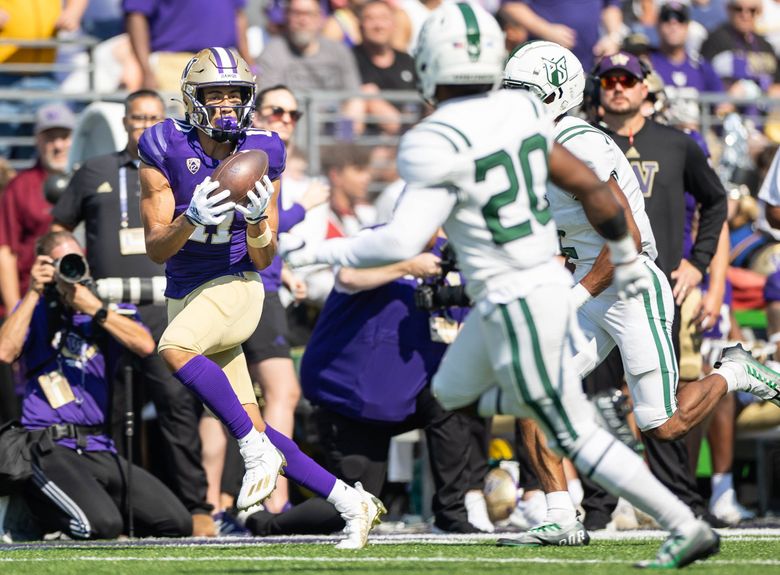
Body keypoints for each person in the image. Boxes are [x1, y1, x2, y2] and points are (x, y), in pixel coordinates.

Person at [284, 2, 720, 568]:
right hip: (546, 289)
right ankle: (565, 506)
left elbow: (400, 242)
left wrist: (310, 248)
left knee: (614, 419)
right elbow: (583, 200)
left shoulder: (468, 137)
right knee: (490, 397)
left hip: (575, 290)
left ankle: (688, 500)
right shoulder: (527, 133)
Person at [499, 41, 774, 543]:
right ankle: (560, 517)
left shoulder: (579, 143)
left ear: (557, 94)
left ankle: (736, 371)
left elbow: (621, 240)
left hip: (628, 283)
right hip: (588, 277)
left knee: (662, 423)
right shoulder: (540, 144)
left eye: (525, 93)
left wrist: (576, 296)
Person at [138, 47, 383, 549]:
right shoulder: (161, 144)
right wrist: (191, 219)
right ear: (192, 100)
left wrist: (254, 222)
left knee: (174, 350)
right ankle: (349, 502)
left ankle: (253, 450)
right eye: (215, 94)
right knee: (255, 425)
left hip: (237, 287)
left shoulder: (264, 149)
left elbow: (264, 256)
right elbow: (157, 248)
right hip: (185, 291)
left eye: (235, 95)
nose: (227, 106)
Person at [49, 90, 219, 537]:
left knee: (177, 406)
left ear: (166, 122)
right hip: (106, 308)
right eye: (137, 118)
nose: (144, 125)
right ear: (124, 121)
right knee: (109, 408)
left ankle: (195, 506)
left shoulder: (185, 165)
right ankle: (109, 505)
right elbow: (58, 228)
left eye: (153, 118)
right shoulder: (94, 171)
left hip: (166, 305)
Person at [0, 231, 192, 540]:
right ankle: (31, 513)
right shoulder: (32, 310)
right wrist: (35, 291)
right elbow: (4, 352)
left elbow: (144, 344)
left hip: (99, 446)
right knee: (102, 527)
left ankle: (56, 510)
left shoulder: (105, 311)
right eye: (61, 264)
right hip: (48, 444)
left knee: (176, 523)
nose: (70, 272)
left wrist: (94, 309)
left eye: (76, 262)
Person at [0, 103, 74, 314]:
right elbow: (5, 252)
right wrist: (16, 311)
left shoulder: (87, 179)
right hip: (33, 297)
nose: (58, 145)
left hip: (81, 297)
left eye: (64, 136)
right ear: (37, 140)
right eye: (50, 138)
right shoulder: (20, 186)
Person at [256, 0, 365, 134]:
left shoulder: (339, 52)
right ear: (286, 16)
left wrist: (343, 140)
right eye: (297, 14)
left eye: (309, 14)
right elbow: (269, 102)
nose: (303, 20)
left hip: (333, 132)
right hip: (291, 131)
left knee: (355, 109)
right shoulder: (272, 53)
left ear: (320, 18)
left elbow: (353, 97)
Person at [123, 0, 252, 91]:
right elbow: (136, 15)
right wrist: (145, 70)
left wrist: (248, 61)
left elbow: (238, 14)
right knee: (177, 125)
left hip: (225, 61)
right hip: (174, 64)